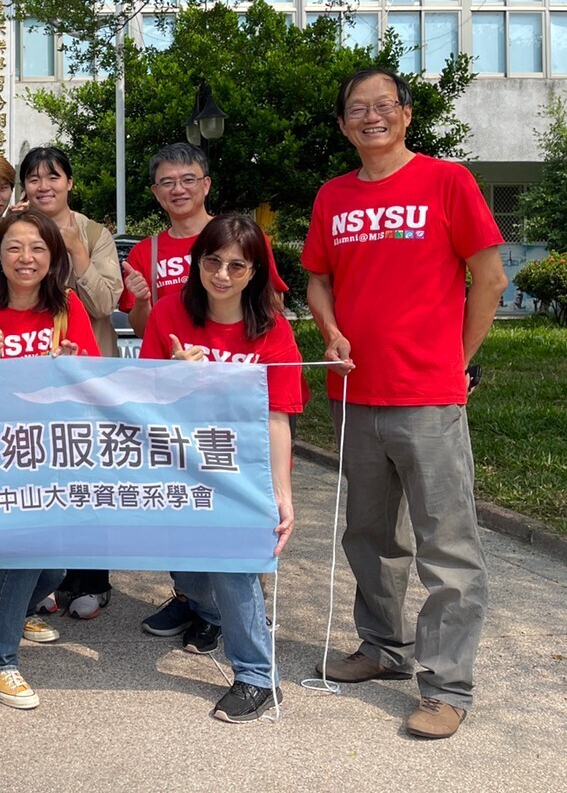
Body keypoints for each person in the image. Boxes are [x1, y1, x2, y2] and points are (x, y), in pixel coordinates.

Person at [302, 68, 506, 740]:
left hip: (427, 396)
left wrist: (455, 360)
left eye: (382, 105)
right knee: (369, 534)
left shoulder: (449, 183)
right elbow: (318, 281)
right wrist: (328, 329)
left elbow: (490, 277)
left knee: (445, 543)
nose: (371, 117)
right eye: (356, 109)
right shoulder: (333, 195)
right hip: (355, 394)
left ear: (406, 114)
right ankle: (381, 649)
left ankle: (446, 685)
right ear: (343, 125)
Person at [123, 143, 290, 645]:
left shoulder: (247, 248)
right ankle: (199, 603)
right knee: (182, 530)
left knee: (237, 536)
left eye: (188, 178)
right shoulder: (147, 255)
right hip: (182, 435)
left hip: (240, 437)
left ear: (206, 183)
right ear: (155, 191)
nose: (222, 274)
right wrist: (176, 369)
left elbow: (270, 312)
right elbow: (145, 336)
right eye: (167, 182)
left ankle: (240, 622)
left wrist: (282, 489)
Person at [140, 214, 299, 723]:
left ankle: (257, 675)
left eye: (237, 265)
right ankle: (206, 613)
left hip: (241, 471)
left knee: (234, 565)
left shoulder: (272, 331)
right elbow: (142, 397)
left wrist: (282, 494)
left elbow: (277, 417)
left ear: (254, 271)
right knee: (186, 562)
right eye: (213, 261)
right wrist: (175, 380)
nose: (223, 274)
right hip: (181, 466)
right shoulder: (168, 313)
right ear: (197, 262)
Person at [0, 207, 99, 709]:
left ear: (52, 256)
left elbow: (95, 384)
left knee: (53, 568)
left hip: (54, 454)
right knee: (28, 552)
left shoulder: (68, 308)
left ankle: (19, 608)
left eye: (37, 248)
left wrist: (73, 369)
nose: (25, 258)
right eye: (13, 247)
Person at [16, 145, 122, 618]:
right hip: (32, 381)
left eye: (53, 177)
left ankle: (91, 581)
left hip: (89, 379)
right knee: (40, 480)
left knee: (87, 478)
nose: (44, 186)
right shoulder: (17, 227)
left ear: (69, 183)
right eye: (34, 178)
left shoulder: (96, 233)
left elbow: (105, 304)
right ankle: (43, 580)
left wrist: (76, 247)